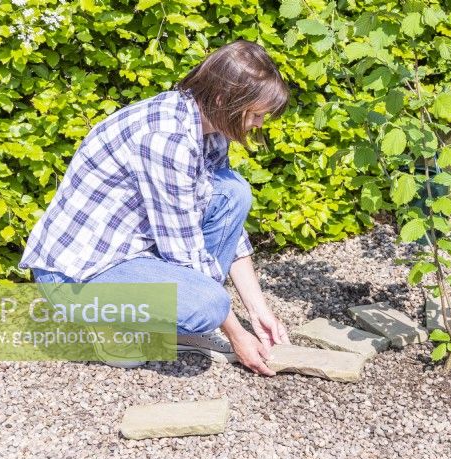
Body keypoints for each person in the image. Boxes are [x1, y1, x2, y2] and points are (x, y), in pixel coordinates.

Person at [18, 40, 291, 376]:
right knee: (210, 304)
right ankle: (110, 323)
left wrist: (259, 309)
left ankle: (176, 325)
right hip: (78, 277)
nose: (261, 124)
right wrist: (236, 333)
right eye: (257, 114)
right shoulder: (166, 139)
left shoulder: (213, 125)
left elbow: (223, 220)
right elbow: (184, 252)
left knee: (233, 191)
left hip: (133, 249)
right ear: (224, 100)